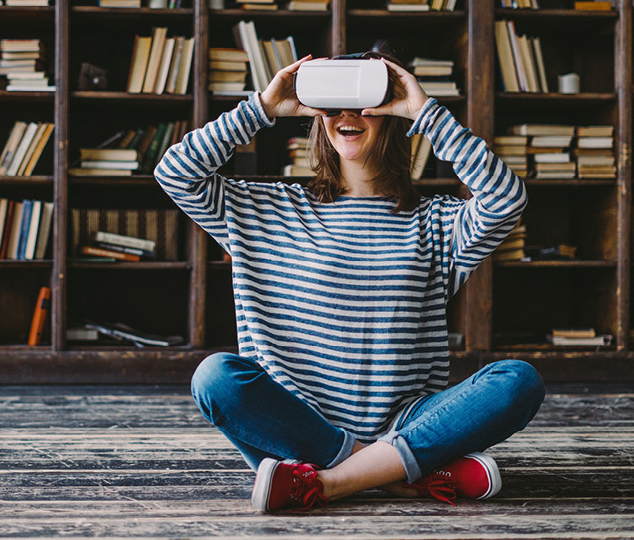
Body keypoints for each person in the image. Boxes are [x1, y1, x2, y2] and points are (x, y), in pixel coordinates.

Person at [154, 50, 544, 512]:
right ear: (317, 119)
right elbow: (175, 174)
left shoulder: (438, 221)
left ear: (391, 113)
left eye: (364, 102)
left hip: (405, 420)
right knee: (215, 377)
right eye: (333, 104)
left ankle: (330, 482)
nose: (347, 115)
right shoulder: (266, 210)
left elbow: (505, 200)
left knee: (518, 381)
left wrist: (425, 113)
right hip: (296, 422)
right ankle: (393, 473)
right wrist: (262, 107)